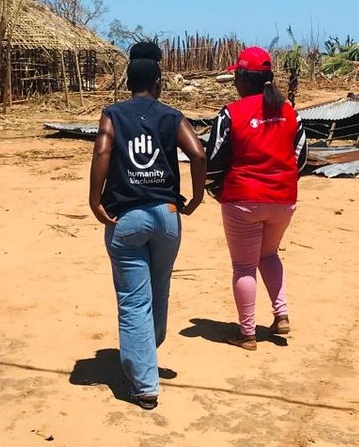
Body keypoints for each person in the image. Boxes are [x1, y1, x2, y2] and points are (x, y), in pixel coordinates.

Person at [88, 42, 207, 409]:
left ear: (128, 82)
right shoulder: (170, 116)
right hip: (167, 216)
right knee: (159, 290)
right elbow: (199, 153)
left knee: (134, 300)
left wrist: (95, 199)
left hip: (127, 218)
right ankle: (145, 353)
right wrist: (197, 196)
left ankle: (144, 384)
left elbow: (103, 151)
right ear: (158, 82)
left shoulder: (113, 114)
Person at [205, 46, 308, 351]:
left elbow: (214, 159)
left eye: (236, 74)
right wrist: (284, 181)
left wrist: (216, 190)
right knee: (269, 255)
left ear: (243, 79)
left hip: (243, 198)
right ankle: (281, 315)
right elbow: (301, 157)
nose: (234, 81)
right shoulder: (289, 111)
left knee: (244, 266)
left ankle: (247, 333)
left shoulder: (230, 113)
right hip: (283, 199)